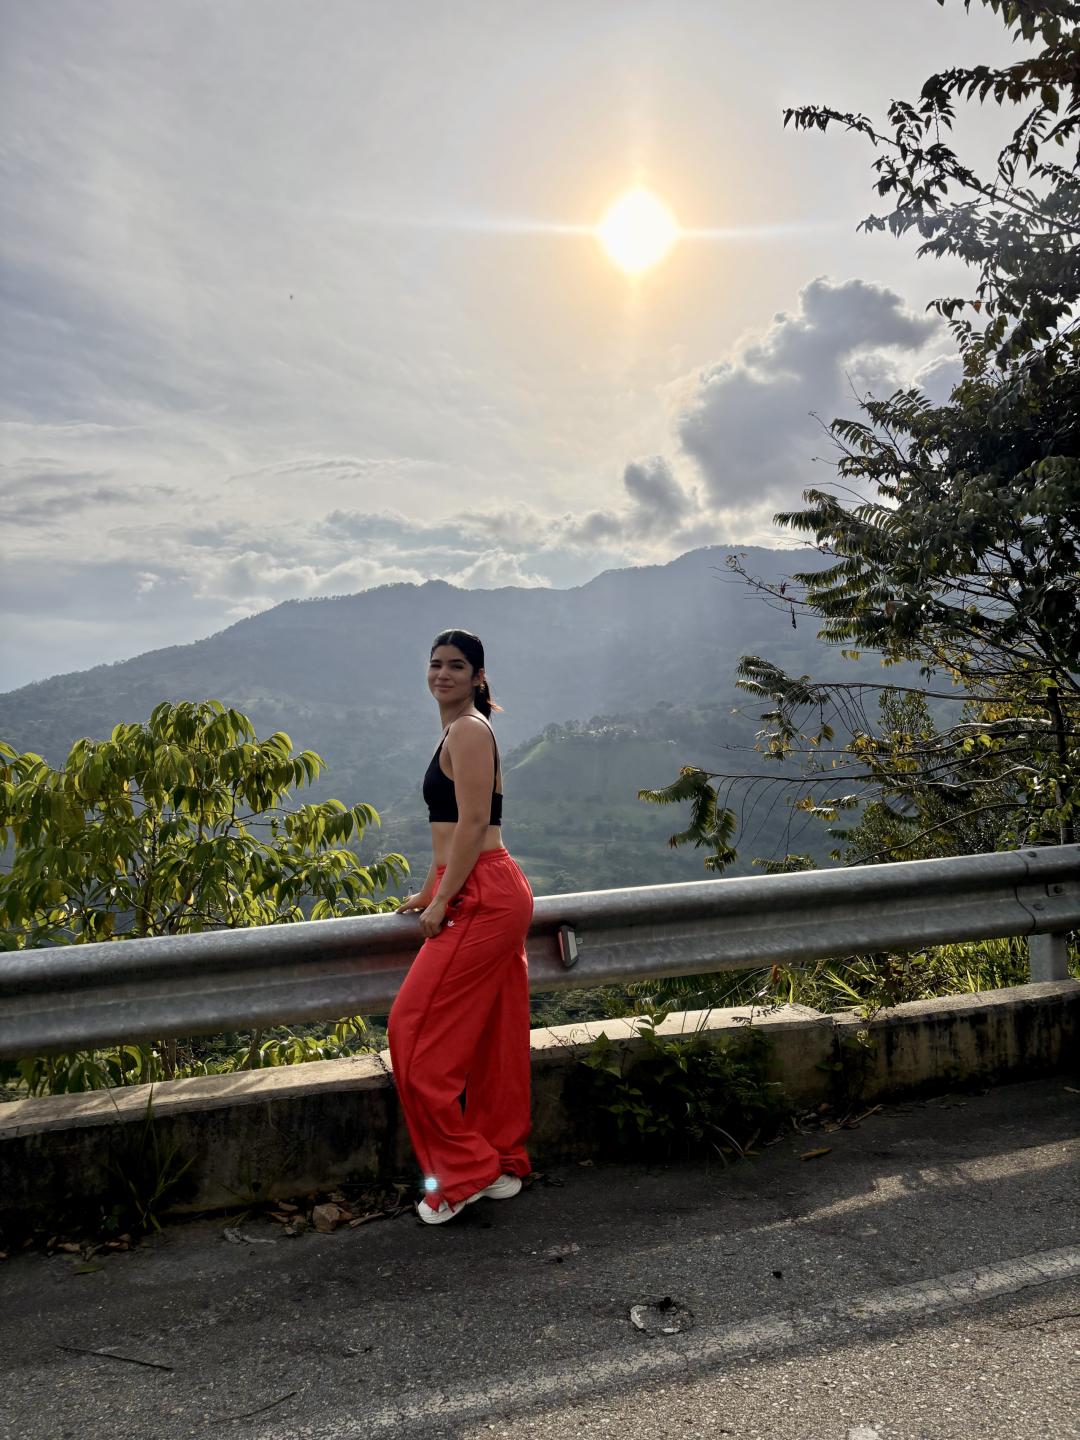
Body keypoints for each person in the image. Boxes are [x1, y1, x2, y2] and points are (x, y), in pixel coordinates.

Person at [388, 628, 535, 1225]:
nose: (442, 674)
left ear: (478, 676)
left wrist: (443, 901)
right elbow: (447, 829)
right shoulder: (458, 730)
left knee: (411, 1034)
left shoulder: (470, 730)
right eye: (435, 664)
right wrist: (430, 889)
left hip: (482, 893)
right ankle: (497, 1161)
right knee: (494, 1037)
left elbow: (474, 823)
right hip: (485, 885)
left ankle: (461, 1174)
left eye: (455, 665)